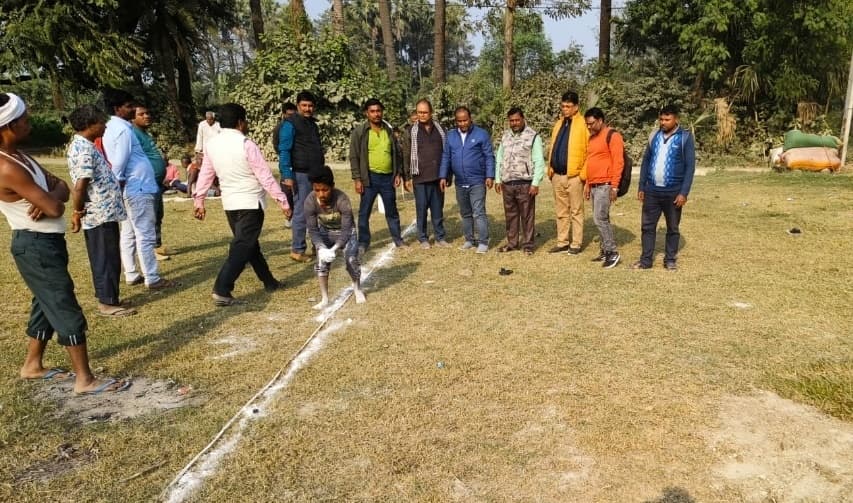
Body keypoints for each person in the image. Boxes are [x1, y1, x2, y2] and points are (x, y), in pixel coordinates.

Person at [0, 93, 130, 394]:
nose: (29, 124)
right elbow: (57, 206)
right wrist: (52, 198)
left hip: (46, 242)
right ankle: (84, 379)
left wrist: (52, 195)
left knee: (45, 302)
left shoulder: (21, 156)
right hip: (34, 244)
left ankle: (32, 365)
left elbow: (60, 188)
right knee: (62, 302)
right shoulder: (7, 166)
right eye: (25, 120)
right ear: (9, 126)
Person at [193, 103, 292, 306]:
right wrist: (283, 201)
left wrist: (199, 199)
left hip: (230, 204)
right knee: (242, 246)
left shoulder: (212, 144)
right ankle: (222, 288)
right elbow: (264, 175)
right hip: (250, 203)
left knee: (249, 245)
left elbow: (206, 174)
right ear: (240, 122)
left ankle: (269, 281)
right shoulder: (246, 144)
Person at [101, 89, 176, 290]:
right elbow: (119, 161)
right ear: (117, 109)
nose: (133, 109)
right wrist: (118, 182)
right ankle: (152, 277)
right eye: (128, 106)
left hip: (133, 187)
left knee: (129, 232)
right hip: (138, 187)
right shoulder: (124, 130)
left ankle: (132, 273)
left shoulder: (112, 127)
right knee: (144, 233)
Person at [66, 104, 135, 317]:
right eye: (100, 122)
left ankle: (110, 296)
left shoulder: (88, 145)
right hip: (98, 215)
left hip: (106, 213)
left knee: (110, 256)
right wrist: (77, 212)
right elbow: (80, 185)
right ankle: (107, 303)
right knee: (105, 257)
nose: (105, 125)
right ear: (88, 125)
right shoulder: (84, 149)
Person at [633, 104, 696, 271]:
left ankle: (670, 259)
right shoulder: (654, 136)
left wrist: (684, 192)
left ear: (676, 119)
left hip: (673, 192)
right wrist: (641, 186)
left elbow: (690, 167)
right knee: (647, 226)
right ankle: (646, 261)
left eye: (667, 119)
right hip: (652, 190)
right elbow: (646, 161)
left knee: (673, 228)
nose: (663, 122)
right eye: (661, 119)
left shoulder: (685, 137)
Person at [349, 98, 407, 252]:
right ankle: (363, 242)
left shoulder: (388, 131)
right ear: (366, 113)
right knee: (364, 212)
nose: (376, 114)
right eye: (372, 111)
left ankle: (398, 239)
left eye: (378, 111)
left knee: (392, 211)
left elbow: (397, 153)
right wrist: (357, 179)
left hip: (388, 178)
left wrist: (397, 174)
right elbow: (354, 156)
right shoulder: (360, 132)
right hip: (369, 178)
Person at [305, 165, 366, 310]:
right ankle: (325, 298)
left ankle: (357, 288)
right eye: (317, 190)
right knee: (321, 263)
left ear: (332, 186)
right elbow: (313, 230)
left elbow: (346, 230)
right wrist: (321, 247)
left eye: (325, 190)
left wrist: (334, 249)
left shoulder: (342, 199)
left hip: (346, 233)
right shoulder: (309, 202)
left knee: (351, 260)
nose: (321, 194)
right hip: (325, 232)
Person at [439, 106, 495, 253]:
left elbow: (489, 156)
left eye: (465, 120)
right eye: (459, 121)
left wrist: (490, 175)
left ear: (470, 119)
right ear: (455, 121)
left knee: (478, 212)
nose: (463, 123)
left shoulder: (481, 134)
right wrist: (443, 176)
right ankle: (469, 240)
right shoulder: (450, 136)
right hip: (460, 182)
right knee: (465, 213)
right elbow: (446, 157)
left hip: (477, 181)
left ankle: (483, 241)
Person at [278, 91, 325, 263]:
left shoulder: (312, 124)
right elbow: (284, 151)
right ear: (298, 106)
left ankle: (317, 245)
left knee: (317, 210)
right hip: (300, 174)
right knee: (301, 211)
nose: (307, 109)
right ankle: (297, 249)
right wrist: (287, 174)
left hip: (315, 173)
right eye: (304, 105)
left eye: (310, 106)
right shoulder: (290, 124)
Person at [494, 107, 545, 256]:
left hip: (525, 183)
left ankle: (528, 245)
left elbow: (538, 160)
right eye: (511, 121)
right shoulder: (505, 136)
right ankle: (512, 243)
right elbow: (499, 158)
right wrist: (498, 179)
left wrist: (535, 182)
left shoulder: (533, 136)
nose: (514, 123)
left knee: (527, 215)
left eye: (517, 120)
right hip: (507, 183)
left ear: (523, 119)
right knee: (510, 215)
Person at [401, 99, 450, 249]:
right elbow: (406, 154)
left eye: (425, 112)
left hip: (437, 177)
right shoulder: (410, 131)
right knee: (421, 209)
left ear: (431, 112)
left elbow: (447, 153)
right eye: (419, 112)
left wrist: (447, 175)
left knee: (437, 209)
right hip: (419, 177)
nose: (422, 115)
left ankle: (440, 237)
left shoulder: (441, 129)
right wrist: (407, 177)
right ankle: (423, 238)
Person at [546, 91, 589, 254]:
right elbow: (553, 146)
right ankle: (562, 241)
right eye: (563, 106)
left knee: (576, 211)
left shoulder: (583, 124)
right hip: (557, 175)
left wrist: (582, 175)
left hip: (574, 176)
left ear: (576, 107)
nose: (565, 109)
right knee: (561, 211)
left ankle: (576, 243)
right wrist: (550, 169)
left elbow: (589, 151)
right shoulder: (559, 123)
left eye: (568, 106)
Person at [582, 107, 624, 268]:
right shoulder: (592, 139)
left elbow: (618, 162)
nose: (589, 127)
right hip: (594, 184)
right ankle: (605, 250)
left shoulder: (612, 136)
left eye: (592, 123)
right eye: (587, 124)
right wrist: (587, 183)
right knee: (600, 218)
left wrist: (614, 186)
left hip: (605, 185)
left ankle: (612, 252)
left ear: (600, 120)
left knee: (600, 218)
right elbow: (591, 162)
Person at [132, 104, 171, 260]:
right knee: (150, 216)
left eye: (148, 112)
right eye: (142, 114)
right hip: (146, 183)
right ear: (133, 117)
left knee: (158, 214)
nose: (147, 116)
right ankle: (151, 251)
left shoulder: (145, 133)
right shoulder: (133, 134)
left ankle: (158, 245)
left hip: (156, 182)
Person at [273, 102, 298, 228]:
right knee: (287, 191)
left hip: (299, 164)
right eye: (289, 115)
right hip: (286, 164)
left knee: (299, 192)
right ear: (283, 114)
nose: (291, 118)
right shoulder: (279, 128)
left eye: (294, 115)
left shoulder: (298, 126)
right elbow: (277, 147)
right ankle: (289, 215)